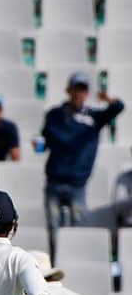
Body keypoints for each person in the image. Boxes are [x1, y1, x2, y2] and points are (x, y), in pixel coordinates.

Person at [42, 72, 124, 231]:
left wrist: (107, 99)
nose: (78, 94)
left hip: (78, 183)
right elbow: (48, 140)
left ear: (87, 93)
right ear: (68, 91)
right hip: (54, 180)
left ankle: (74, 256)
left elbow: (118, 107)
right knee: (53, 227)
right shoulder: (54, 115)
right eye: (75, 89)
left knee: (78, 228)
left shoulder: (94, 117)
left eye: (82, 90)